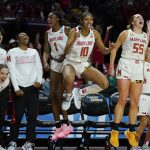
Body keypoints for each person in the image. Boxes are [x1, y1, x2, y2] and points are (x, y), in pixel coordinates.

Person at [109, 14, 150, 147]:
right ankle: (114, 131)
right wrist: (111, 67)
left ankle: (131, 131)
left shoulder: (145, 36)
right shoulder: (126, 33)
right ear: (132, 22)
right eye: (138, 18)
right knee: (122, 99)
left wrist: (143, 71)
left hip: (138, 67)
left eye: (142, 18)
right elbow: (115, 49)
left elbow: (144, 55)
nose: (141, 19)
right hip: (126, 64)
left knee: (135, 101)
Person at [61, 12, 111, 111]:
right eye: (86, 19)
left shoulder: (95, 33)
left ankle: (80, 93)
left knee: (105, 84)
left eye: (91, 19)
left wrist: (111, 49)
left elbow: (104, 51)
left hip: (83, 64)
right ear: (81, 21)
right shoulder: (73, 31)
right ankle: (68, 95)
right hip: (70, 62)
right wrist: (75, 39)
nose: (89, 22)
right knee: (69, 77)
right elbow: (66, 51)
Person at [7, 32, 43, 150]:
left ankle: (29, 142)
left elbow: (39, 67)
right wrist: (16, 88)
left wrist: (39, 81)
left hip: (33, 88)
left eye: (27, 35)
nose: (26, 36)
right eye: (22, 35)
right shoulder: (12, 52)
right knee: (17, 116)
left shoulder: (34, 52)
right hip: (19, 89)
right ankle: (12, 141)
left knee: (32, 117)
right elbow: (11, 71)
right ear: (18, 39)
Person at [43, 11, 73, 141]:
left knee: (59, 93)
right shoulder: (48, 33)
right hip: (55, 62)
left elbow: (74, 44)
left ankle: (67, 124)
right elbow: (45, 50)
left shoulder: (66, 30)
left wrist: (66, 55)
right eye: (48, 17)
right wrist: (45, 62)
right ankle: (58, 125)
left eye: (51, 17)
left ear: (58, 19)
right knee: (52, 95)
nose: (48, 19)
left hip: (66, 61)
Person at [131, 47, 150, 150]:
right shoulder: (141, 65)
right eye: (149, 52)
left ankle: (146, 144)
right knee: (143, 122)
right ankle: (134, 145)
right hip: (144, 96)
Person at [0, 65, 9, 150]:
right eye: (2, 73)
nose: (4, 76)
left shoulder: (7, 82)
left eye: (6, 74)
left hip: (2, 110)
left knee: (1, 122)